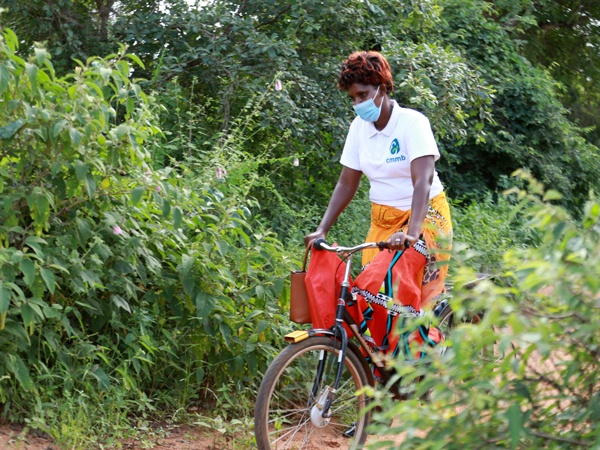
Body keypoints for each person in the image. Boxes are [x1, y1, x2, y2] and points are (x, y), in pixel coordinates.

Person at [304, 50, 452, 313]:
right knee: (369, 295)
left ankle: (422, 348)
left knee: (403, 296)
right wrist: (322, 229)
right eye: (352, 98)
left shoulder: (412, 123)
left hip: (424, 217)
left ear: (382, 88)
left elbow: (423, 181)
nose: (357, 103)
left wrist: (412, 233)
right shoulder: (358, 129)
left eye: (362, 95)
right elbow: (346, 184)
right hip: (382, 222)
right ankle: (381, 353)